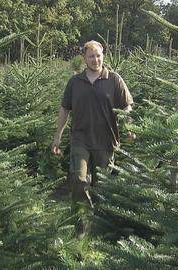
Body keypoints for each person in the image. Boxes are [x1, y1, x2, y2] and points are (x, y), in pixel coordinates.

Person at [51, 40, 135, 237]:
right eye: (91, 56)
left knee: (102, 185)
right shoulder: (75, 82)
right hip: (80, 139)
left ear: (103, 55)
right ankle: (82, 223)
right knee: (79, 180)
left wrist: (129, 127)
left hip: (106, 141)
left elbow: (126, 106)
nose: (96, 59)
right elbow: (65, 108)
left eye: (98, 55)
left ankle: (101, 226)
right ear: (84, 58)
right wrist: (58, 136)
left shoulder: (114, 79)